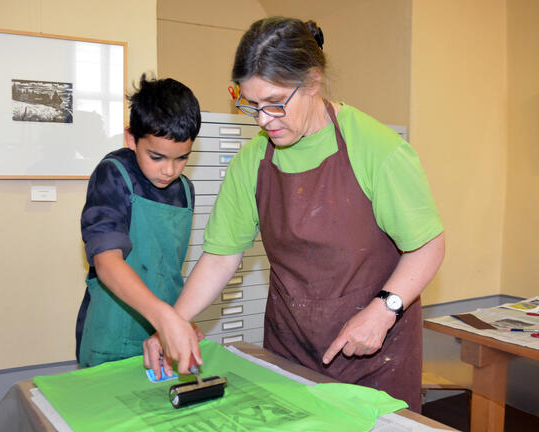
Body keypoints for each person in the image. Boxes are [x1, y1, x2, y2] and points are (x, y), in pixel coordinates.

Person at [143, 17, 445, 412]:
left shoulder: (377, 149)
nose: (264, 120)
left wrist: (384, 309)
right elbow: (220, 257)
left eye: (275, 103)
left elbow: (428, 246)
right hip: (290, 351)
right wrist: (173, 321)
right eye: (251, 104)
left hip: (374, 355)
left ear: (313, 82)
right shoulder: (251, 161)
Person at [75, 74, 203, 368]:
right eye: (156, 157)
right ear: (131, 138)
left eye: (182, 158)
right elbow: (107, 262)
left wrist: (178, 319)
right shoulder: (113, 174)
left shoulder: (185, 190)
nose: (169, 170)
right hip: (113, 331)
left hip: (165, 328)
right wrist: (164, 316)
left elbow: (167, 267)